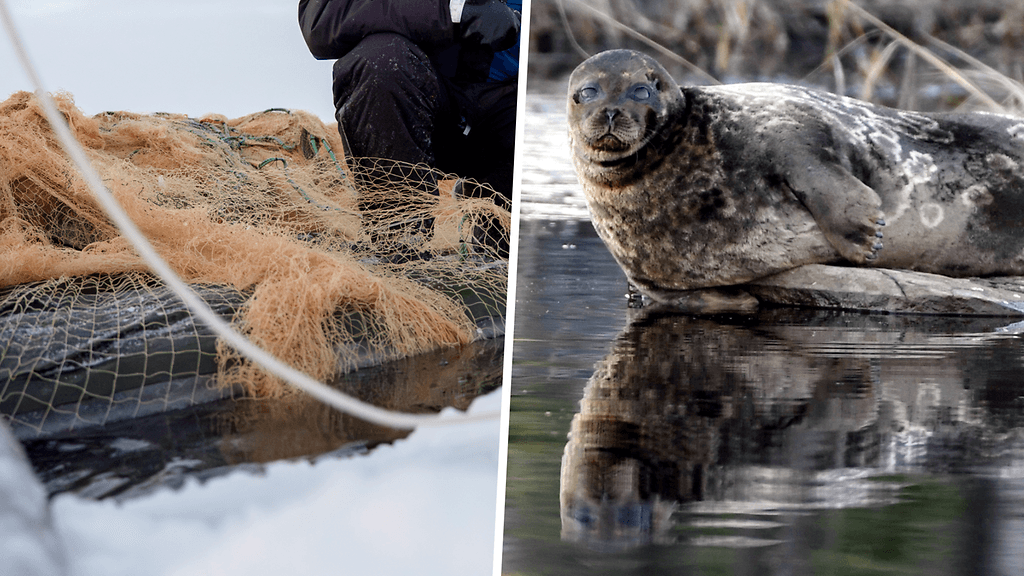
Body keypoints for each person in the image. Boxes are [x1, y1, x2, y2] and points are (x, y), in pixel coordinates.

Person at [298, 0, 520, 210]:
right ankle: (400, 237)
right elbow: (321, 17)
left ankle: (487, 210)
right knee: (380, 61)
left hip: (510, 116)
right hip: (421, 107)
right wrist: (454, 12)